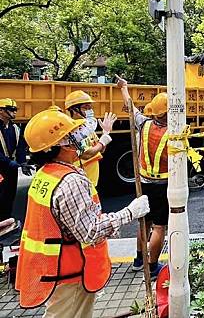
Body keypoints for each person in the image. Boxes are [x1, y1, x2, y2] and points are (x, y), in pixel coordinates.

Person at [15, 107, 149, 317]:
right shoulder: (70, 182)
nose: (80, 139)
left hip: (54, 270)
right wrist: (130, 212)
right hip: (70, 273)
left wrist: (104, 134)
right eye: (73, 135)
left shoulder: (46, 174)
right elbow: (90, 232)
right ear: (61, 144)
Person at [117, 77, 168, 278]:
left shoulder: (144, 124)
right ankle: (152, 265)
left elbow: (131, 108)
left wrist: (124, 87)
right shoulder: (173, 132)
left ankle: (139, 260)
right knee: (158, 226)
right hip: (163, 185)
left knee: (144, 223)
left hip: (144, 183)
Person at [64, 91, 117, 187]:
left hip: (91, 180)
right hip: (78, 180)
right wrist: (102, 141)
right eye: (85, 107)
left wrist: (105, 133)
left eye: (90, 108)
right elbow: (86, 154)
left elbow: (101, 149)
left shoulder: (87, 127)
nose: (89, 111)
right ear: (73, 110)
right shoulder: (72, 131)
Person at [0, 98, 31, 220]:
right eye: (11, 109)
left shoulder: (15, 128)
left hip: (10, 169)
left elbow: (20, 147)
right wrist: (10, 163)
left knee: (9, 194)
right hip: (2, 167)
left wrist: (22, 163)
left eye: (15, 110)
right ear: (1, 111)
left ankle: (6, 218)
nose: (14, 112)